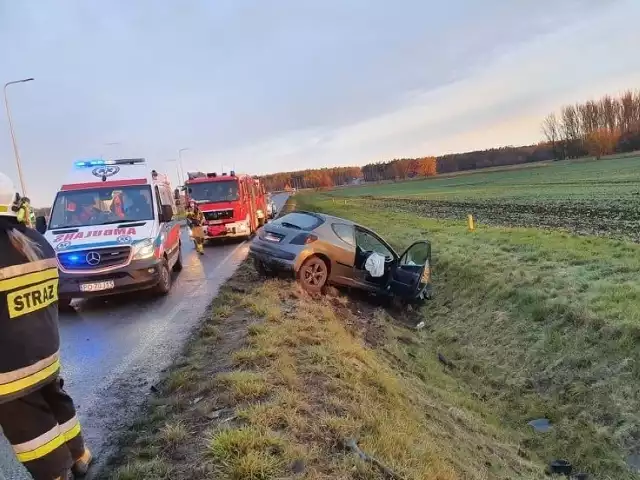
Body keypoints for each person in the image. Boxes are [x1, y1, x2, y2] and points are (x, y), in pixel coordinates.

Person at [0, 173, 92, 480]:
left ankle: (54, 473)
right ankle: (80, 456)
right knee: (56, 401)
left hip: (8, 368)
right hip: (45, 351)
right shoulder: (37, 242)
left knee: (28, 424)